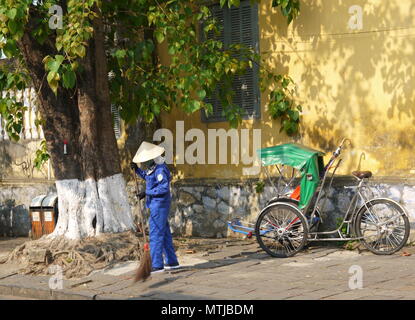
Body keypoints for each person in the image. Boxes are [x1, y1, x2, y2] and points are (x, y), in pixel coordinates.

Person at [131, 141, 180, 273]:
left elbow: (163, 188)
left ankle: (157, 264)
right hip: (155, 204)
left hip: (159, 205)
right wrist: (137, 170)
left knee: (156, 233)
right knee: (164, 233)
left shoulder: (160, 169)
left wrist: (146, 192)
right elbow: (148, 178)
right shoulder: (154, 166)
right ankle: (172, 261)